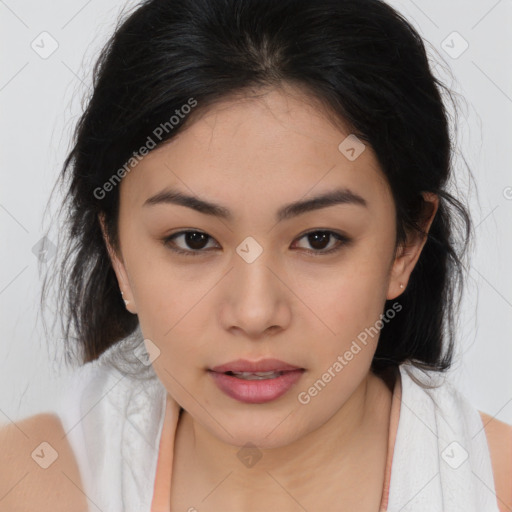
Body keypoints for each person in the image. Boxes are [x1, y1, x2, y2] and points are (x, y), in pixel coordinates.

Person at [1, 0, 511, 511]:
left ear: (406, 246)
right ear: (117, 252)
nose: (254, 312)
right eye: (193, 240)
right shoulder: (30, 483)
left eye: (318, 239)